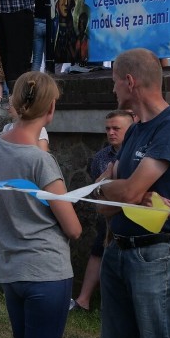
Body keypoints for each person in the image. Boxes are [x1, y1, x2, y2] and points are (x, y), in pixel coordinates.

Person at [0, 71, 82, 338]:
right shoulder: (40, 161)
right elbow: (74, 228)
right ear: (51, 108)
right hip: (46, 273)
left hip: (11, 271)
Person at [94, 48, 170, 338]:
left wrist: (119, 191)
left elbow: (125, 190)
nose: (112, 89)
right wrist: (117, 192)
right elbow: (99, 202)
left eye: (114, 82)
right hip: (117, 252)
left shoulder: (167, 127)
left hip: (153, 256)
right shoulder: (135, 131)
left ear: (129, 81)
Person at [71, 109, 135, 312]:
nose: (111, 133)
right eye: (108, 128)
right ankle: (84, 300)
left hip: (137, 222)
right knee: (99, 250)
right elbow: (99, 193)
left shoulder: (141, 155)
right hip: (108, 220)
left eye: (116, 128)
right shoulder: (101, 158)